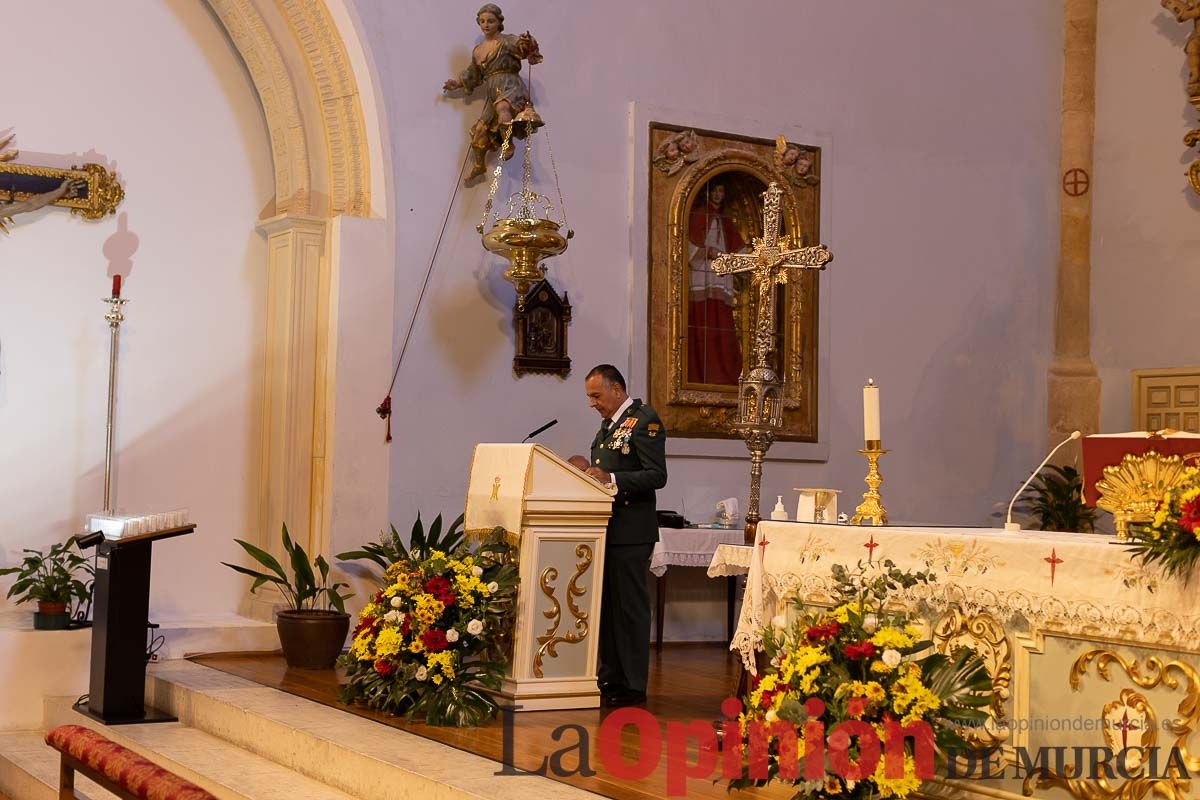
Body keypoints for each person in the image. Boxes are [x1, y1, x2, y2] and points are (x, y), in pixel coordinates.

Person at [583, 364, 667, 707]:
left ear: (616, 389)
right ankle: (611, 678)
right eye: (589, 397)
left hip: (632, 531)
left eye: (596, 395)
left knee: (630, 610)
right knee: (610, 609)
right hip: (609, 528)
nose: (592, 403)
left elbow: (656, 475)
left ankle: (633, 685)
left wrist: (611, 479)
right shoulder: (608, 426)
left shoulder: (644, 420)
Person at [442, 4, 543, 181]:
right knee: (479, 130)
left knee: (503, 108)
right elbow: (473, 74)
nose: (486, 25)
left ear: (499, 22)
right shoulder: (478, 51)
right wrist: (457, 83)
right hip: (493, 91)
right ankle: (479, 166)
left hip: (510, 84)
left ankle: (508, 144)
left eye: (490, 21)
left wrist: (527, 41)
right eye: (482, 21)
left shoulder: (507, 41)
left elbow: (524, 47)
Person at [686, 182, 745, 385]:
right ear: (708, 192)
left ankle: (725, 375)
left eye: (722, 191)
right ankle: (703, 374)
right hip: (702, 274)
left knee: (722, 322)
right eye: (716, 190)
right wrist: (708, 252)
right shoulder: (700, 214)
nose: (719, 195)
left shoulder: (726, 220)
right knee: (704, 322)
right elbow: (688, 247)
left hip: (721, 276)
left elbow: (740, 250)